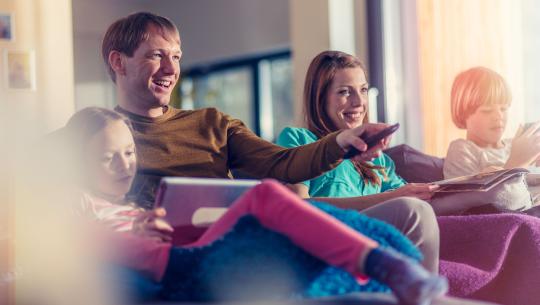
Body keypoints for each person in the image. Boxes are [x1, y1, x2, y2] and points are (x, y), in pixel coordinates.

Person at [101, 12, 441, 274]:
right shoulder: (97, 137)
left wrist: (340, 143)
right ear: (119, 62)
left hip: (243, 237)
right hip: (173, 252)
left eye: (176, 56)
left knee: (412, 213)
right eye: (156, 55)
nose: (170, 68)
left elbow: (284, 164)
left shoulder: (211, 124)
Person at [65, 106, 449, 305]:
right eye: (107, 158)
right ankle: (386, 266)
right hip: (173, 267)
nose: (125, 165)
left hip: (196, 247)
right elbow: (75, 244)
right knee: (266, 197)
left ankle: (390, 272)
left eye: (129, 152)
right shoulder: (78, 202)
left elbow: (281, 163)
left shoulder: (209, 126)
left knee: (267, 197)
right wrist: (135, 234)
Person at [277, 50, 439, 272]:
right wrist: (390, 197)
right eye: (345, 92)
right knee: (412, 210)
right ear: (320, 98)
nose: (358, 102)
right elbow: (300, 206)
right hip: (330, 235)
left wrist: (478, 192)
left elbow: (422, 200)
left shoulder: (376, 157)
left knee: (417, 208)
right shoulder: (298, 140)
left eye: (363, 90)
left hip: (372, 238)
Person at [444, 66, 540, 206]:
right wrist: (516, 165)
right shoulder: (463, 150)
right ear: (463, 114)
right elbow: (481, 205)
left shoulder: (513, 145)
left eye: (503, 108)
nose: (498, 116)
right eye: (487, 111)